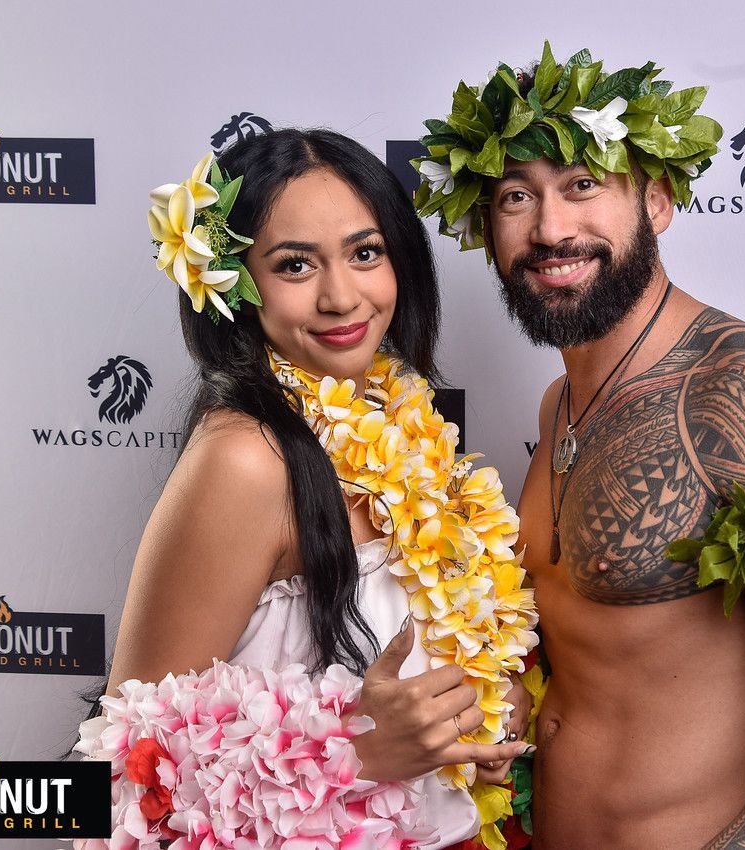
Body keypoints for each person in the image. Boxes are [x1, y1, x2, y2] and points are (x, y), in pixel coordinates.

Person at [414, 46, 745, 848]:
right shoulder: (559, 405)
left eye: (583, 185)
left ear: (656, 200)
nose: (551, 228)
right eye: (516, 196)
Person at [93, 128, 537, 848]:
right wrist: (356, 752)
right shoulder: (247, 458)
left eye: (365, 254)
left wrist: (476, 706)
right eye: (295, 265)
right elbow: (123, 773)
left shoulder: (404, 427)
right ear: (234, 286)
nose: (341, 297)